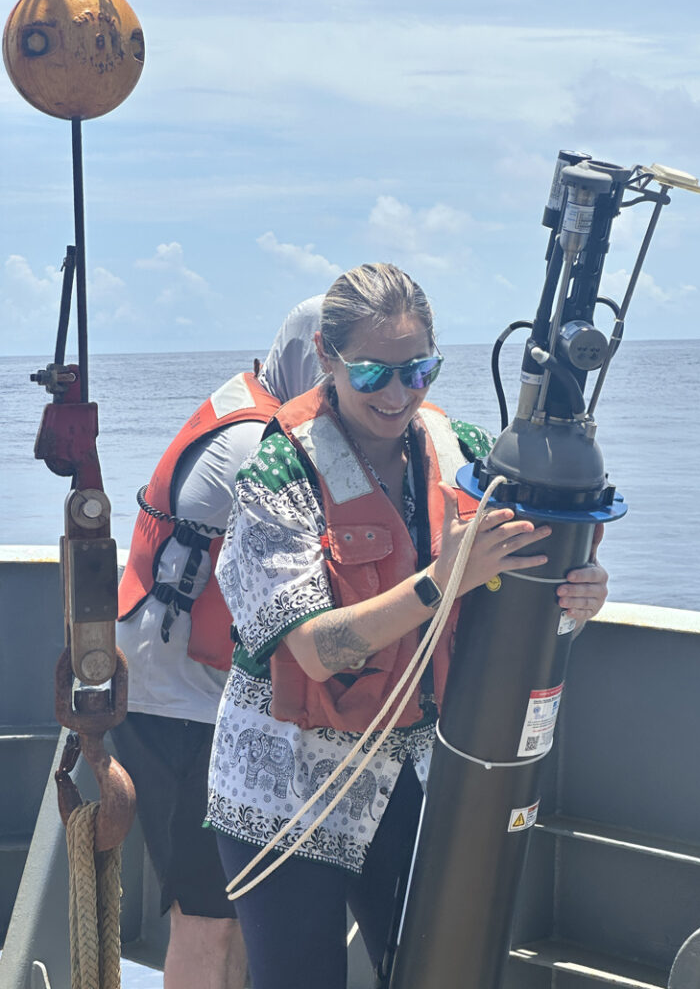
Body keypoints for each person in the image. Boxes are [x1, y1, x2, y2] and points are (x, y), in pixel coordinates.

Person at [206, 263, 608, 989]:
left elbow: (521, 583)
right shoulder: (275, 471)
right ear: (326, 359)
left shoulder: (466, 451)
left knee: (435, 968)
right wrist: (437, 580)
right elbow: (315, 649)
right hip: (287, 787)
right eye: (372, 375)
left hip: (411, 774)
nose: (398, 395)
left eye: (418, 369)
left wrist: (577, 594)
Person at [112, 297, 324, 989]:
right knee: (207, 916)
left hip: (192, 696)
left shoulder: (256, 405)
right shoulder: (256, 445)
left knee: (235, 909)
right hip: (178, 710)